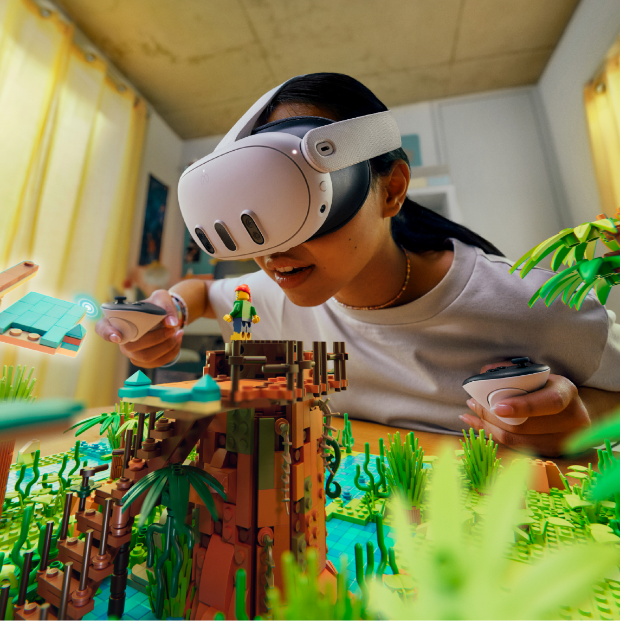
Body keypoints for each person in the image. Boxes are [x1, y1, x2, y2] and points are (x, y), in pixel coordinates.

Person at [97, 73, 620, 457]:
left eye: (301, 203)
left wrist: (583, 420)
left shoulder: (533, 301)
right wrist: (168, 313)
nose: (275, 252)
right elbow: (199, 292)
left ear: (390, 190)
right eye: (262, 218)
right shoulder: (275, 294)